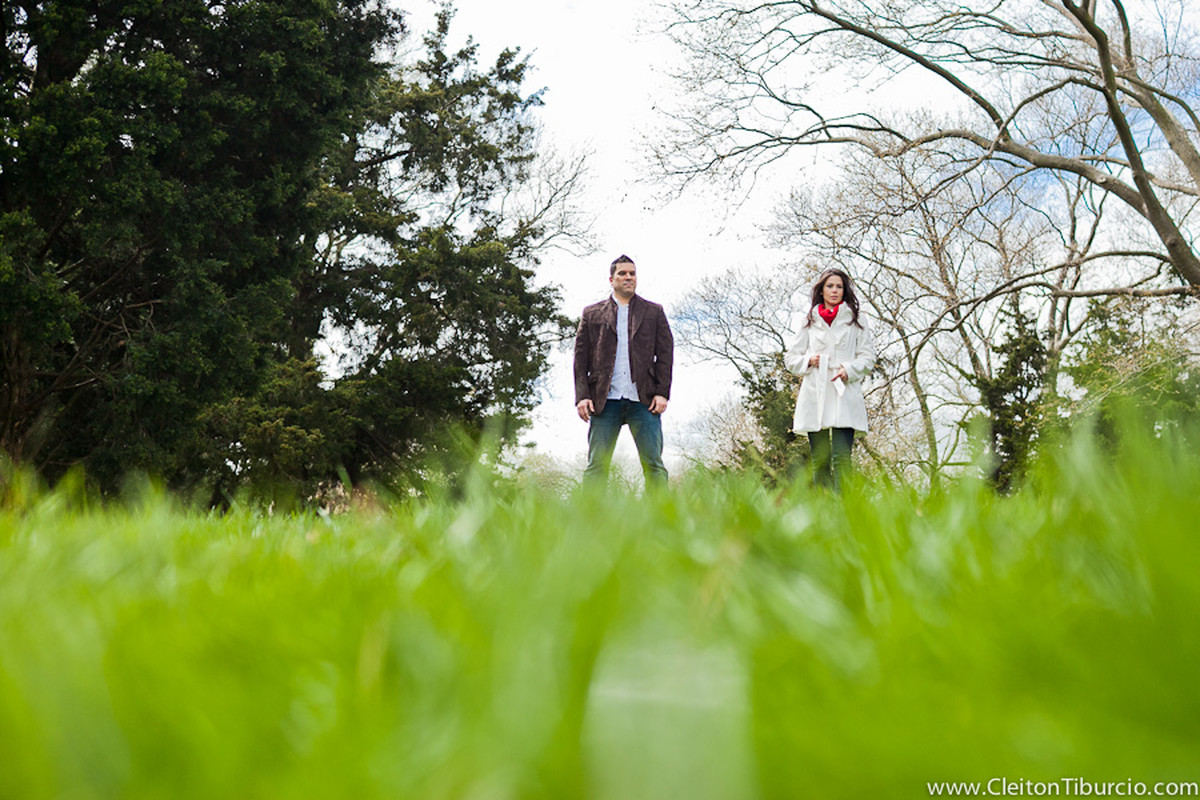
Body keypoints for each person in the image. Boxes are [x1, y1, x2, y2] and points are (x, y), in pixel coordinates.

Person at [574, 254, 674, 488]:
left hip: (644, 400)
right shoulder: (592, 313)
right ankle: (590, 520)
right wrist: (582, 396)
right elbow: (581, 358)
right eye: (622, 273)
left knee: (654, 465)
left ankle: (662, 520)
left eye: (632, 273)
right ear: (612, 279)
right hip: (604, 400)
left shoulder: (654, 312)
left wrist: (662, 392)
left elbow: (666, 354)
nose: (628, 277)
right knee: (597, 466)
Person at [784, 268, 875, 492]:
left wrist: (849, 370)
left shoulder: (857, 320)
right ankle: (823, 515)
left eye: (839, 286)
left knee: (842, 458)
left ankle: (843, 512)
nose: (834, 290)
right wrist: (809, 360)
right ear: (822, 290)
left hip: (844, 392)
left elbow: (868, 356)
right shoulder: (809, 322)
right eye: (830, 286)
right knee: (820, 461)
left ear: (845, 291)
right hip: (815, 394)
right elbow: (790, 359)